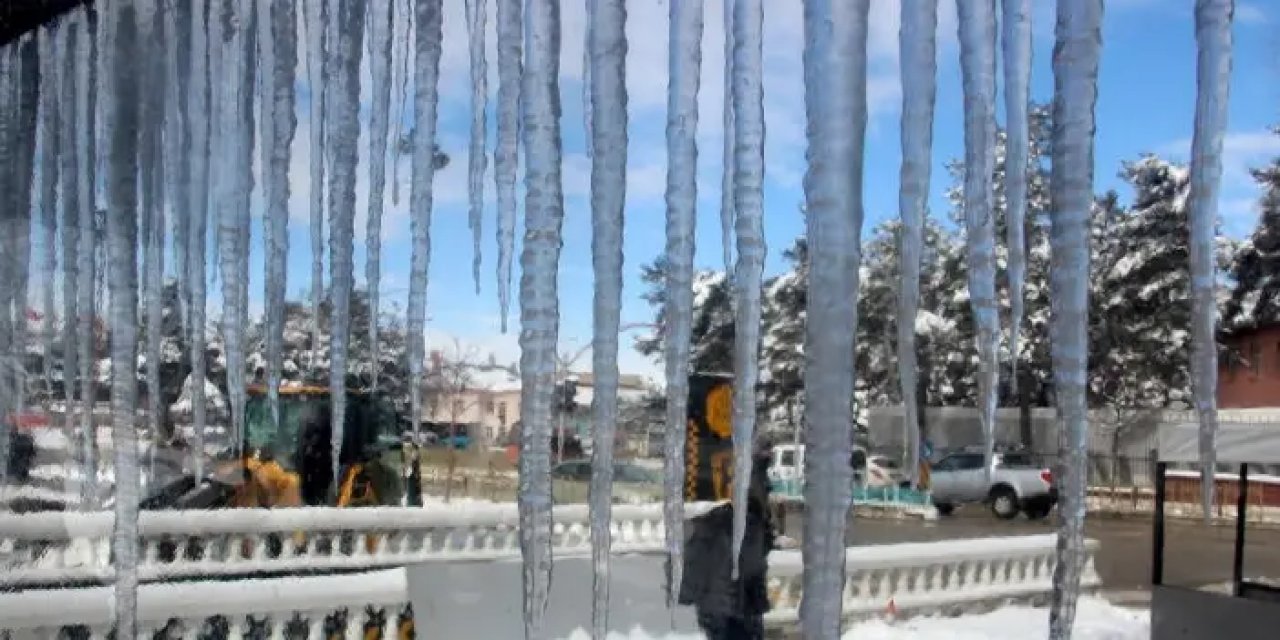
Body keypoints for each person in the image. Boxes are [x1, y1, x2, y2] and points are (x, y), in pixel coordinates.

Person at [678, 437, 779, 640]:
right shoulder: (736, 508)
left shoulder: (708, 502)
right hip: (734, 601)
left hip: (722, 599)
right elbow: (752, 555)